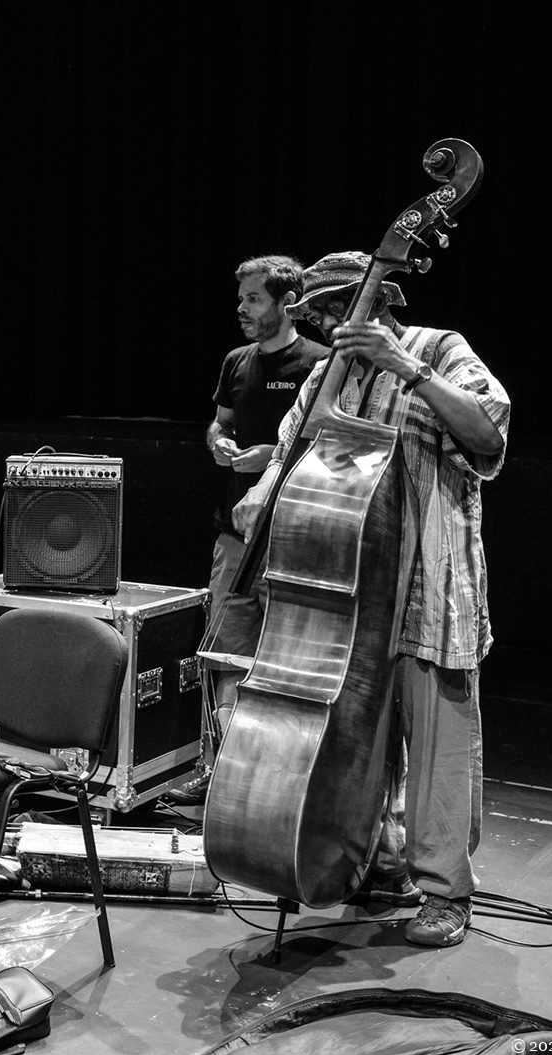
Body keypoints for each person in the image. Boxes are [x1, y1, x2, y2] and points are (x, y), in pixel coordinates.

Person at [232, 251, 510, 947]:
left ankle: (446, 893)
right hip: (349, 596)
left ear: (376, 301)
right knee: (354, 740)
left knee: (441, 743)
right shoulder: (327, 374)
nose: (323, 322)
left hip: (429, 580)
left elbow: (488, 434)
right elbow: (293, 448)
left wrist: (405, 369)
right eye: (316, 313)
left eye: (331, 308)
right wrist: (262, 493)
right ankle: (375, 862)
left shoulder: (439, 349)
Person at [172, 256, 329, 806]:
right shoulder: (236, 361)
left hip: (292, 539)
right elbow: (221, 421)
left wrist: (275, 456)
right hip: (235, 538)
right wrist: (217, 441)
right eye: (240, 299)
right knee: (225, 655)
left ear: (287, 303)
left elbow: (334, 447)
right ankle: (220, 773)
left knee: (288, 664)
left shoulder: (321, 362)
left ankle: (283, 781)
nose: (241, 308)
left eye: (253, 299)